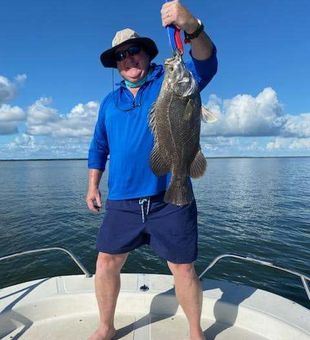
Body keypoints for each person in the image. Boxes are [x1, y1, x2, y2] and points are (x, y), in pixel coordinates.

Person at [86, 1, 217, 339]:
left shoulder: (171, 79)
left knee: (184, 268)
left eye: (133, 51)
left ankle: (194, 331)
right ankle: (105, 326)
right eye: (120, 55)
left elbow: (206, 62)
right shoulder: (108, 103)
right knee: (105, 263)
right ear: (116, 64)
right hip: (123, 200)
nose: (128, 58)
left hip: (168, 197)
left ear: (145, 53)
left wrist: (192, 26)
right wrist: (92, 185)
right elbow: (99, 147)